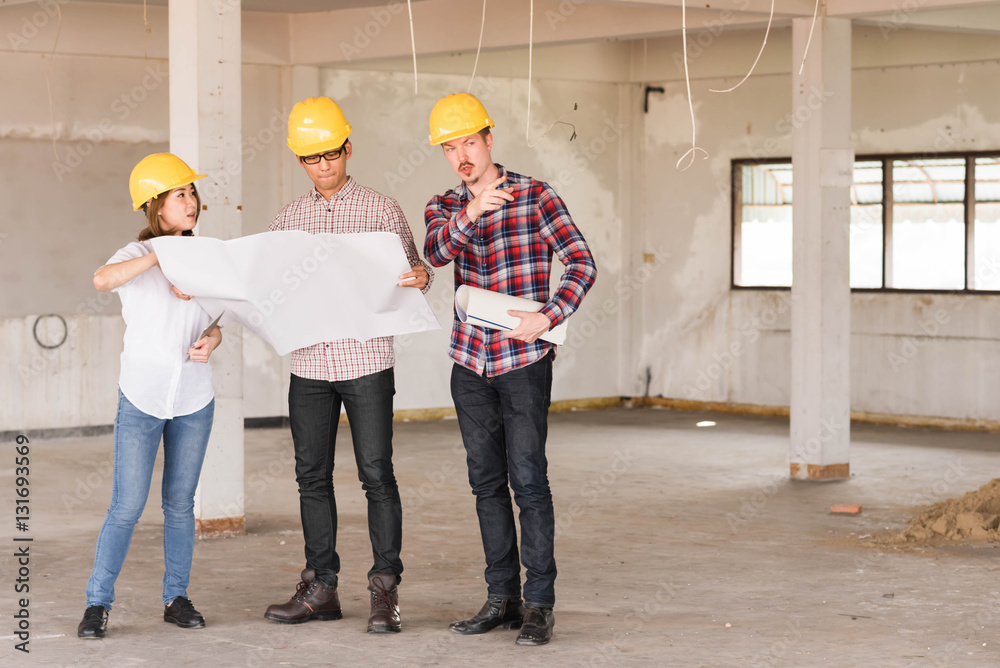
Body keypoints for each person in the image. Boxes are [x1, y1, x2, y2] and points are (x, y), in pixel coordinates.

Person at [423, 93, 597, 646]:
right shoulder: (444, 205)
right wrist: (471, 212)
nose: (461, 156)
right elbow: (433, 254)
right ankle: (502, 597)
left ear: (489, 139)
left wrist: (547, 316)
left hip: (523, 361)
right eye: (450, 148)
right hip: (470, 362)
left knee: (528, 480)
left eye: (468, 143)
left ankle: (540, 604)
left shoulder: (536, 196)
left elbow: (582, 262)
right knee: (485, 484)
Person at [263, 96, 432, 634]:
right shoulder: (288, 219)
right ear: (300, 162)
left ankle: (385, 590)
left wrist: (422, 276)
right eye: (311, 159)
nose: (323, 166)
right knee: (311, 476)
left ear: (348, 148)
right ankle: (321, 587)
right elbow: (275, 287)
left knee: (376, 475)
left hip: (365, 360)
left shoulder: (381, 209)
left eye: (331, 154)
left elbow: (412, 269)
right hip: (310, 363)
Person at [78, 153, 223, 639]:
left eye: (192, 193)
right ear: (156, 207)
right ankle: (97, 603)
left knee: (180, 505)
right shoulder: (132, 256)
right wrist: (162, 255)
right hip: (142, 399)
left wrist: (213, 338)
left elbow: (218, 317)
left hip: (194, 401)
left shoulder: (206, 258)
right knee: (126, 506)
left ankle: (176, 597)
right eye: (180, 194)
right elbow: (101, 280)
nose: (192, 202)